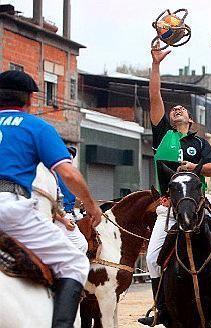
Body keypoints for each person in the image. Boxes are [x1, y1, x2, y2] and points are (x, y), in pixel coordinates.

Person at [137, 48, 211, 326]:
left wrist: (195, 168)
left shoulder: (199, 143)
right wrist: (155, 65)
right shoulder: (162, 134)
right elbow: (155, 97)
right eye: (174, 109)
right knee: (154, 259)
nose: (177, 110)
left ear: (190, 120)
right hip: (169, 206)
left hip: (200, 203)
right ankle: (160, 309)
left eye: (182, 110)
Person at [0, 70, 102, 327]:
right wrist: (91, 207)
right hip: (9, 209)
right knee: (75, 261)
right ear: (30, 100)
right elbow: (68, 174)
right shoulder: (35, 126)